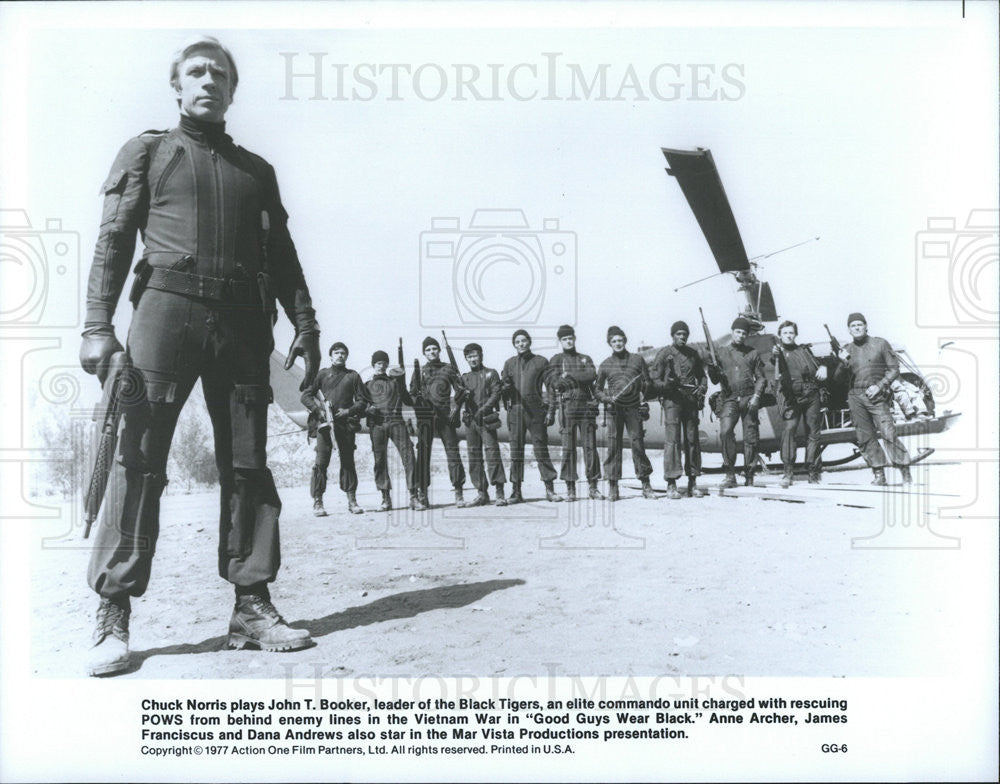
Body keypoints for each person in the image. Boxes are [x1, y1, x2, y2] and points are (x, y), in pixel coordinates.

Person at [78, 37, 319, 676]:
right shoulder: (149, 152)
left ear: (232, 91)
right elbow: (112, 242)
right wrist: (97, 325)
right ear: (178, 86)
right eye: (196, 71)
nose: (208, 79)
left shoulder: (256, 171)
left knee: (247, 464)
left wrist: (307, 326)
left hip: (242, 324)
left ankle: (251, 605)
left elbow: (284, 257)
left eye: (220, 73)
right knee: (139, 459)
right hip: (165, 314)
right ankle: (114, 611)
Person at [833, 313, 913, 485]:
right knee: (865, 437)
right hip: (855, 397)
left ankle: (905, 473)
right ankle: (879, 475)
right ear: (849, 329)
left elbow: (893, 368)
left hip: (877, 395)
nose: (857, 328)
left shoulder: (880, 344)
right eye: (853, 326)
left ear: (866, 326)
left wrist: (880, 385)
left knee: (888, 433)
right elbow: (837, 380)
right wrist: (840, 362)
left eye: (860, 324)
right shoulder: (846, 350)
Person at [301, 342, 370, 515]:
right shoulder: (322, 374)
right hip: (324, 427)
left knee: (347, 462)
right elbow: (306, 395)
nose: (340, 355)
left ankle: (352, 501)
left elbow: (363, 401)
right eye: (336, 353)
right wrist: (319, 410)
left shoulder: (353, 376)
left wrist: (348, 411)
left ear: (346, 356)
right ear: (331, 356)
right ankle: (318, 502)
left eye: (343, 353)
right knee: (321, 463)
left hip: (345, 426)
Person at [500, 329, 563, 503]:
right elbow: (502, 391)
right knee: (516, 451)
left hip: (536, 411)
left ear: (529, 341)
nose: (521, 344)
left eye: (523, 340)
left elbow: (551, 387)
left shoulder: (541, 361)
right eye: (517, 342)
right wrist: (505, 389)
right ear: (514, 344)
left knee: (541, 449)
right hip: (516, 411)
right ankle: (516, 492)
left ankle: (550, 490)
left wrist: (551, 411)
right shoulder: (509, 363)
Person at [594, 326, 655, 501]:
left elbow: (647, 383)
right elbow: (597, 390)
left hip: (633, 408)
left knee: (638, 444)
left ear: (625, 341)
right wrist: (606, 398)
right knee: (613, 446)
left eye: (620, 340)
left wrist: (643, 399)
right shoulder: (605, 364)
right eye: (614, 341)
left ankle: (646, 484)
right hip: (614, 410)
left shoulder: (637, 360)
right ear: (609, 343)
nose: (617, 343)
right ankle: (613, 486)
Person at [650, 320, 708, 499]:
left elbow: (702, 376)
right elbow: (654, 379)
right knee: (672, 441)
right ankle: (671, 483)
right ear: (672, 335)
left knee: (692, 440)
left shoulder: (692, 354)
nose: (682, 337)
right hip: (672, 401)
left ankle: (693, 482)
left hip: (690, 400)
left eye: (684, 334)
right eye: (678, 334)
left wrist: (702, 389)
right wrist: (666, 385)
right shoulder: (664, 354)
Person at [707, 316, 767, 488]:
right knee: (725, 432)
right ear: (732, 332)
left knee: (751, 437)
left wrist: (756, 397)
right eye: (738, 332)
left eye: (744, 333)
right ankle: (729, 474)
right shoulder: (721, 352)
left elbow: (761, 379)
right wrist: (712, 367)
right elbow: (714, 379)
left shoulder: (753, 353)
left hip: (749, 397)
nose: (740, 335)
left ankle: (750, 475)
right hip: (729, 398)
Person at [547, 325, 604, 501]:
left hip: (586, 406)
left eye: (570, 338)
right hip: (567, 407)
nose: (568, 341)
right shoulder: (556, 360)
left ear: (574, 339)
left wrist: (569, 375)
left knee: (590, 447)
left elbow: (591, 375)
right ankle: (570, 488)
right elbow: (555, 383)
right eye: (564, 339)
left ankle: (593, 487)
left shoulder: (584, 358)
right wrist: (571, 378)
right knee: (568, 448)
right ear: (560, 341)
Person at [415, 336, 468, 507]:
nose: (432, 352)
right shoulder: (420, 371)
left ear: (439, 350)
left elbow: (460, 391)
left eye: (434, 349)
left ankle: (458, 491)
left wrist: (455, 409)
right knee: (423, 455)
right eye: (428, 350)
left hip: (445, 417)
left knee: (453, 453)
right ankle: (422, 493)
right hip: (426, 418)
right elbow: (412, 392)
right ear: (424, 353)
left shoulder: (448, 369)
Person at [771, 320, 825, 487]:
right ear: (780, 335)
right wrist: (775, 354)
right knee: (789, 430)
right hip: (790, 396)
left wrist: (823, 367)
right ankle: (788, 472)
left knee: (813, 432)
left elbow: (820, 362)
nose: (788, 335)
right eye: (785, 333)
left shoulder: (804, 350)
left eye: (791, 332)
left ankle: (813, 471)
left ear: (795, 334)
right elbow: (775, 360)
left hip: (811, 393)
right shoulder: (778, 352)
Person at [365, 350, 420, 511]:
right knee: (379, 461)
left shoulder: (395, 382)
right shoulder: (367, 385)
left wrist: (403, 383)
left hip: (397, 423)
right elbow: (361, 405)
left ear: (387, 365)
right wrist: (369, 410)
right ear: (373, 365)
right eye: (378, 363)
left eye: (383, 363)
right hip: (377, 425)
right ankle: (385, 498)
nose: (381, 366)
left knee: (409, 456)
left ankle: (413, 496)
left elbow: (408, 400)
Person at [461, 343, 507, 506]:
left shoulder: (491, 373)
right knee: (474, 456)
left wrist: (484, 409)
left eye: (475, 355)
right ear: (466, 359)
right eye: (469, 357)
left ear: (481, 356)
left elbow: (497, 393)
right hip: (470, 421)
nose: (473, 359)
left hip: (486, 419)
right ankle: (482, 493)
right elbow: (459, 399)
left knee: (492, 453)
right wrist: (461, 395)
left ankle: (499, 493)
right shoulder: (464, 377)